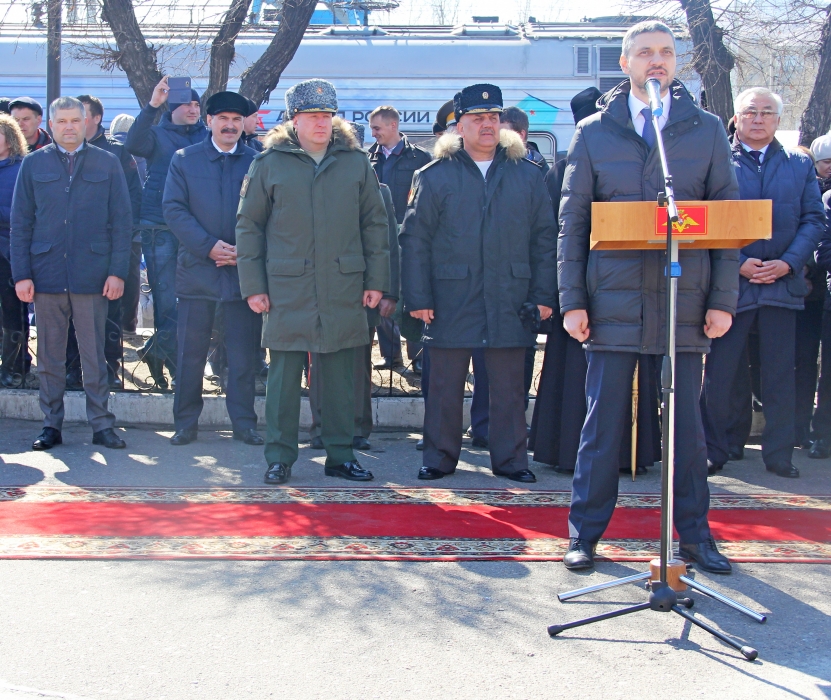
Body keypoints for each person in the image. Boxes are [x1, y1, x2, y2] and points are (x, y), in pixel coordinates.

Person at [558, 21, 740, 574]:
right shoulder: (594, 131)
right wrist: (572, 300)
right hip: (611, 302)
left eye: (665, 52)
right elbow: (573, 221)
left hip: (683, 298)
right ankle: (585, 535)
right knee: (602, 426)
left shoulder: (704, 129)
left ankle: (696, 538)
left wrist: (723, 299)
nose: (655, 61)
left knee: (687, 433)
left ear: (676, 63)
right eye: (644, 53)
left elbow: (726, 220)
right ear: (625, 63)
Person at [400, 83, 557, 483]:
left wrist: (542, 295)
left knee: (508, 386)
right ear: (460, 126)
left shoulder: (528, 174)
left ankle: (511, 461)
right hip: (451, 296)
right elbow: (415, 240)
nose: (486, 126)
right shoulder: (434, 176)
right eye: (476, 119)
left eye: (493, 118)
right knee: (445, 387)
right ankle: (438, 458)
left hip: (511, 295)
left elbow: (545, 238)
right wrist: (417, 297)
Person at [236, 79, 390, 486]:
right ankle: (280, 456)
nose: (321, 124)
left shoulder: (355, 163)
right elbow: (248, 227)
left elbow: (375, 224)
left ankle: (340, 454)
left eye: (326, 116)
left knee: (340, 374)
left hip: (343, 283)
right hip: (287, 285)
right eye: (312, 117)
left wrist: (377, 279)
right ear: (294, 120)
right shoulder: (269, 164)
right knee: (284, 377)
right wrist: (253, 285)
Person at [528, 87, 662, 475]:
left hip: (631, 283)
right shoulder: (564, 169)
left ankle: (621, 452)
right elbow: (557, 231)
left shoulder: (643, 165)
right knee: (577, 374)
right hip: (584, 284)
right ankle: (579, 452)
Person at [701, 88, 825, 480]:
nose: (759, 119)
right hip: (730, 285)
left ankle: (779, 454)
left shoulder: (798, 164)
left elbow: (814, 220)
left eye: (767, 113)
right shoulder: (717, 161)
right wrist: (736, 262)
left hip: (780, 284)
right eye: (751, 112)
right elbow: (701, 220)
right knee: (720, 372)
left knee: (779, 373)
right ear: (736, 118)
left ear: (777, 120)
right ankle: (714, 449)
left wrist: (788, 264)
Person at [10, 96, 132, 451]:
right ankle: (51, 425)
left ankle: (101, 425)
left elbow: (122, 223)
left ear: (85, 122)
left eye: (74, 121)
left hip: (92, 275)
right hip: (45, 274)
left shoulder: (107, 163)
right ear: (51, 124)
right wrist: (22, 275)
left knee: (94, 355)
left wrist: (117, 272)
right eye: (61, 121)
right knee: (50, 356)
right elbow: (21, 224)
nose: (68, 127)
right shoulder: (33, 165)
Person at [162, 91, 262, 446]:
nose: (230, 125)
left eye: (236, 119)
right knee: (190, 355)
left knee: (242, 355)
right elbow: (173, 209)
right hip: (197, 272)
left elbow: (267, 213)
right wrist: (208, 247)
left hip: (241, 273)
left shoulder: (256, 161)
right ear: (209, 122)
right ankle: (186, 423)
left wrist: (243, 251)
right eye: (223, 119)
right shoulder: (185, 160)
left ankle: (244, 423)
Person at [126, 77, 208, 389]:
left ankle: (154, 351)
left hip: (199, 229)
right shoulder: (157, 135)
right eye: (187, 103)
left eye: (197, 104)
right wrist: (152, 105)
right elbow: (133, 143)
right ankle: (176, 370)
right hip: (159, 228)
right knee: (167, 302)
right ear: (172, 107)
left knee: (196, 301)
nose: (193, 109)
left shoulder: (206, 135)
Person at [63, 94, 143, 391]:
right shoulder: (57, 155)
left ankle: (110, 369)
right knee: (72, 311)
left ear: (96, 118)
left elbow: (132, 200)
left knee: (110, 312)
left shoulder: (118, 156)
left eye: (79, 115)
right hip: (71, 249)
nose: (73, 123)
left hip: (109, 248)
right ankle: (74, 369)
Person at [368, 105, 432, 373]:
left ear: (393, 125)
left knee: (413, 294)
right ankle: (390, 356)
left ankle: (417, 358)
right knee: (385, 292)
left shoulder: (420, 158)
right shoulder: (367, 159)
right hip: (381, 238)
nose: (374, 134)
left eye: (377, 128)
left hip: (412, 238)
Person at [0, 114, 30, 388]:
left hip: (9, 251)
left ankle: (12, 367)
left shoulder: (21, 168)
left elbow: (24, 213)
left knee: (12, 312)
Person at [500, 106, 549, 174]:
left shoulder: (541, 169)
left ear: (521, 135)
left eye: (504, 133)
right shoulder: (495, 164)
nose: (498, 138)